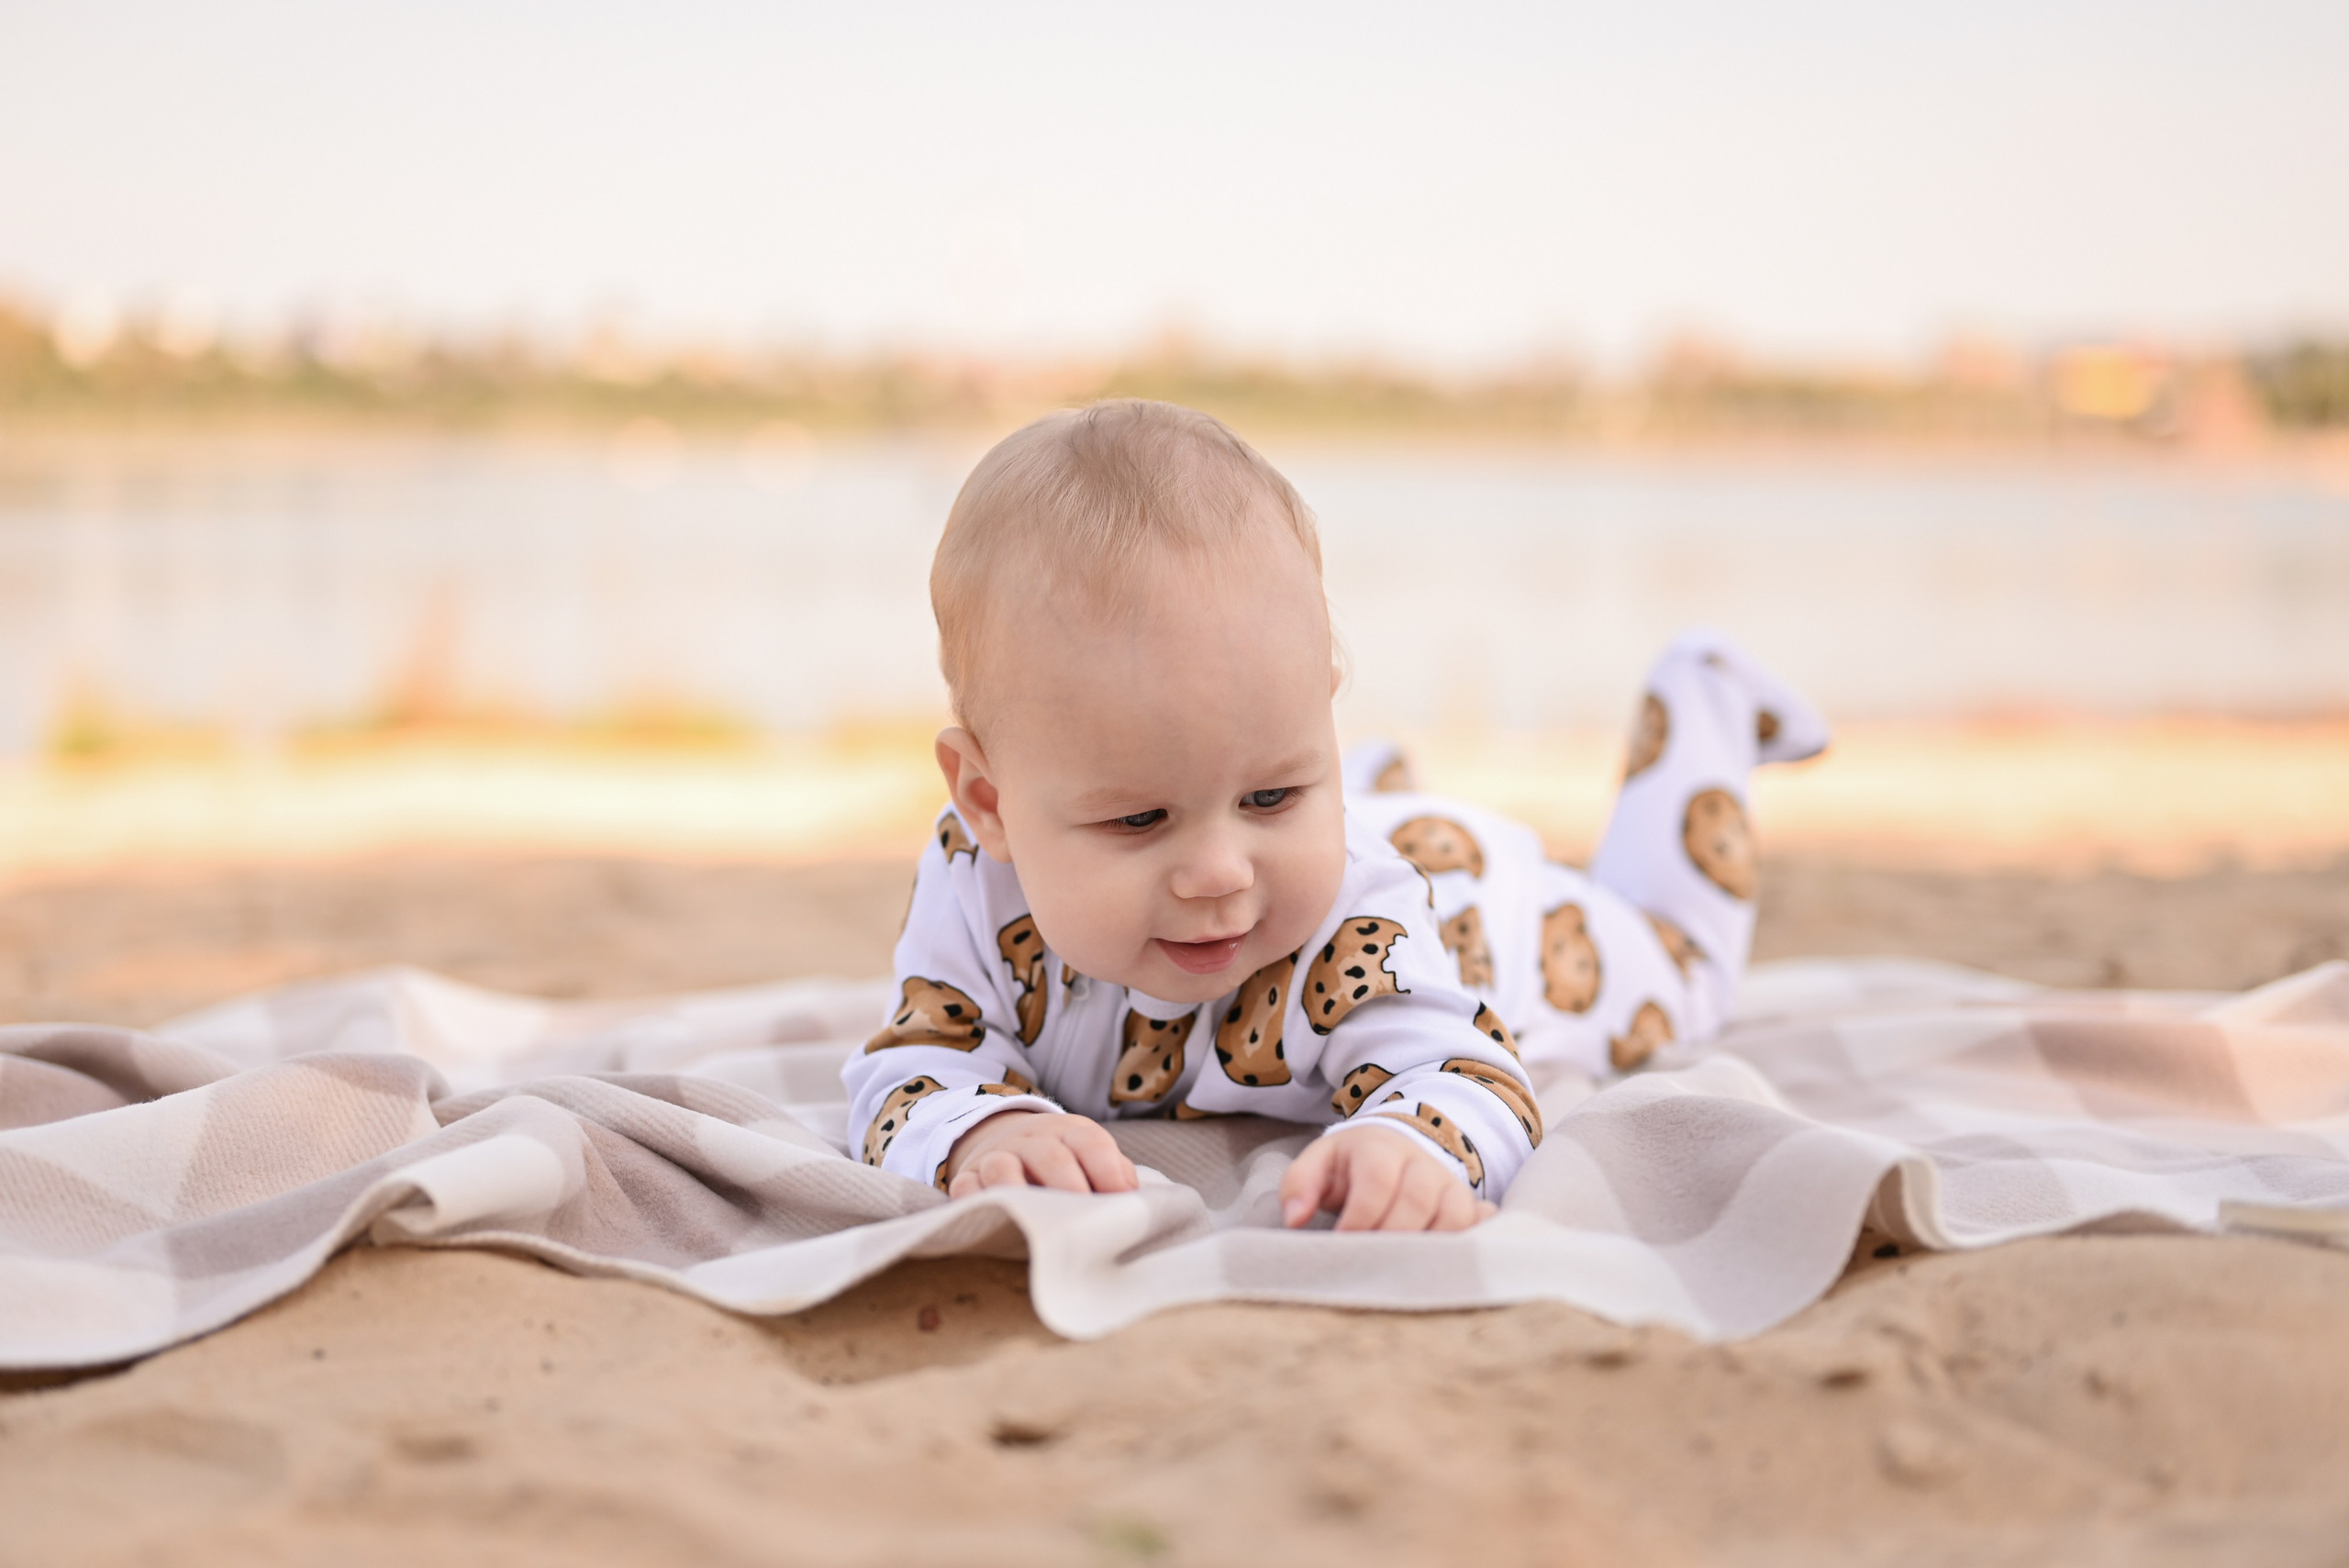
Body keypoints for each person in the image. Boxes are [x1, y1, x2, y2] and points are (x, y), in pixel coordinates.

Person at [842, 400, 1826, 1232]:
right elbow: (912, 1062)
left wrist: (1405, 1139)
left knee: (1684, 971)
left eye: (1270, 793)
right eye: (1140, 818)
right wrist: (978, 1128)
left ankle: (1706, 703)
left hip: (1493, 920)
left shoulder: (1358, 911)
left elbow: (1471, 1076)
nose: (1219, 870)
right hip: (1369, 822)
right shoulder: (972, 879)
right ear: (988, 801)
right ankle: (1355, 783)